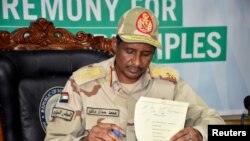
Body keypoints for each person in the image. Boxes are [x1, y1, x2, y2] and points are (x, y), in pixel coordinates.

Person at [44, 7, 225, 141]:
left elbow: (216, 122)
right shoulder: (82, 83)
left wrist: (198, 133)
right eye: (129, 51)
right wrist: (86, 140)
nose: (137, 62)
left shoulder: (170, 83)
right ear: (115, 45)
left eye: (146, 54)